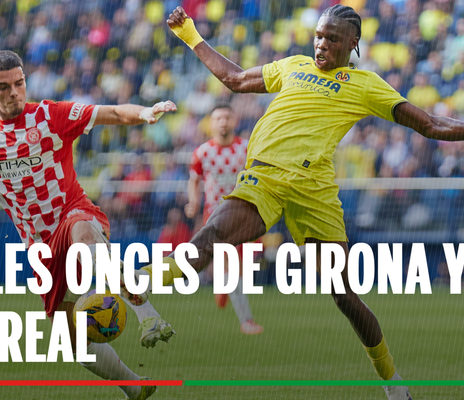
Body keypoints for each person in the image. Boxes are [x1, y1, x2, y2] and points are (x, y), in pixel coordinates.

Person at [141, 5, 464, 400]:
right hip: (264, 179)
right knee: (209, 239)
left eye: (332, 38)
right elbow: (235, 79)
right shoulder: (293, 65)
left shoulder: (365, 84)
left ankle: (393, 384)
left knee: (344, 295)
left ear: (353, 43)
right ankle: (136, 284)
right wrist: (190, 34)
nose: (321, 44)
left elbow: (430, 124)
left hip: (315, 193)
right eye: (318, 36)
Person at [0, 50, 178, 400]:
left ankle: (147, 315)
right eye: (4, 87)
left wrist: (144, 113)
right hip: (39, 246)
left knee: (83, 234)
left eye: (19, 83)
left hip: (72, 212)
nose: (14, 92)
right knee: (72, 340)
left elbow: (109, 113)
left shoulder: (50, 115)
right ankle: (133, 388)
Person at [185, 102, 263, 335]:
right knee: (231, 264)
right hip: (215, 215)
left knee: (244, 265)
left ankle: (223, 284)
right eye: (218, 118)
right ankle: (246, 320)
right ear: (211, 123)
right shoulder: (202, 152)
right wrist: (193, 202)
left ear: (234, 121)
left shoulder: (247, 148)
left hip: (243, 214)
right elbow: (194, 181)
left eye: (227, 118)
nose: (223, 122)